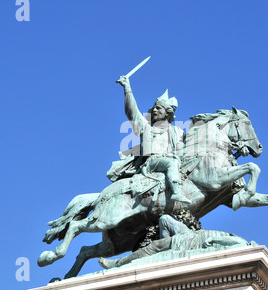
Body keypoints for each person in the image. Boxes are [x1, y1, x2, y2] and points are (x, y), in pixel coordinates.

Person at [116, 75, 191, 204]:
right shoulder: (146, 126)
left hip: (173, 162)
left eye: (158, 108)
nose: (154, 110)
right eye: (154, 108)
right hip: (152, 163)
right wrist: (127, 89)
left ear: (167, 112)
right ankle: (176, 193)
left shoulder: (177, 131)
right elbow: (132, 111)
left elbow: (183, 151)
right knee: (171, 163)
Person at [98, 214, 251, 269]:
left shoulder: (242, 246)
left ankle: (117, 264)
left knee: (155, 245)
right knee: (164, 219)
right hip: (194, 237)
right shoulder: (242, 243)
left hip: (189, 242)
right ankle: (118, 263)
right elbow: (236, 242)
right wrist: (214, 239)